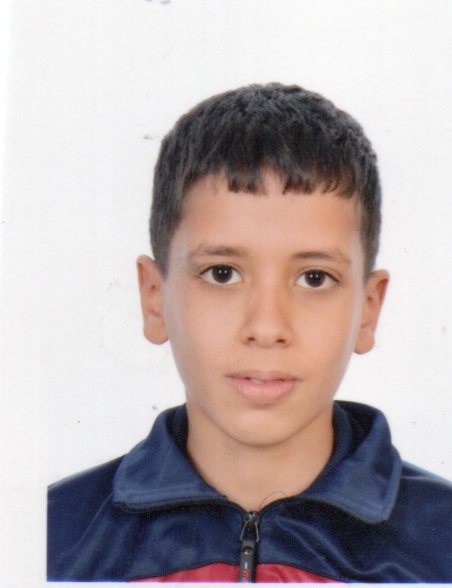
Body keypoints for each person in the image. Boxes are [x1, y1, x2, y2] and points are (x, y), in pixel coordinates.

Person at [47, 83, 452, 583]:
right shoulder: (50, 538)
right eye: (222, 274)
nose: (266, 327)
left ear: (368, 311)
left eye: (314, 278)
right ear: (154, 298)